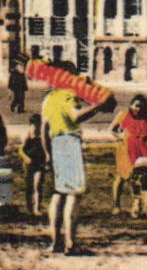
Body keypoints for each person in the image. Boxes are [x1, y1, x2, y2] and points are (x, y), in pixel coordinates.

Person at [41, 63, 116, 254]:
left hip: (55, 143)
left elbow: (44, 128)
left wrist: (47, 152)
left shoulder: (49, 98)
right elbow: (75, 117)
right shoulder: (68, 95)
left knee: (58, 194)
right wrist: (96, 106)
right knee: (74, 194)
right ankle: (70, 243)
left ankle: (55, 241)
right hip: (69, 142)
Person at [110, 95, 147, 212]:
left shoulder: (145, 118)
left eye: (141, 107)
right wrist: (120, 136)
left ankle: (141, 202)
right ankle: (116, 205)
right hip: (126, 150)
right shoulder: (124, 114)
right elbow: (112, 129)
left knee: (142, 176)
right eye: (136, 106)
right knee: (122, 176)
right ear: (131, 104)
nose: (138, 109)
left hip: (141, 150)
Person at [20, 113, 49, 217]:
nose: (36, 127)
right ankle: (29, 208)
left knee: (38, 185)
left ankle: (37, 208)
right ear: (31, 125)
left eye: (38, 124)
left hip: (39, 162)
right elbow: (21, 150)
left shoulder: (42, 135)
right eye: (34, 125)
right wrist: (26, 158)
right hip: (29, 163)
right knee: (29, 186)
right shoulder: (27, 134)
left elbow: (47, 148)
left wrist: (47, 160)